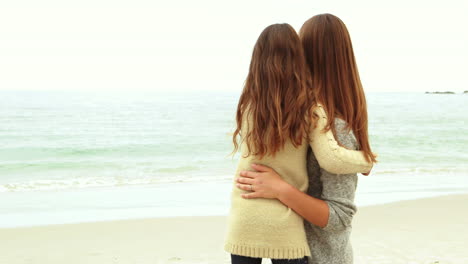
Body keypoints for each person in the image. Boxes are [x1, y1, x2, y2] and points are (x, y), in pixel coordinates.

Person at [223, 22, 374, 264]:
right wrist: (366, 161)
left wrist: (281, 189)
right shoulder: (290, 115)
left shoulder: (332, 127)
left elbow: (339, 218)